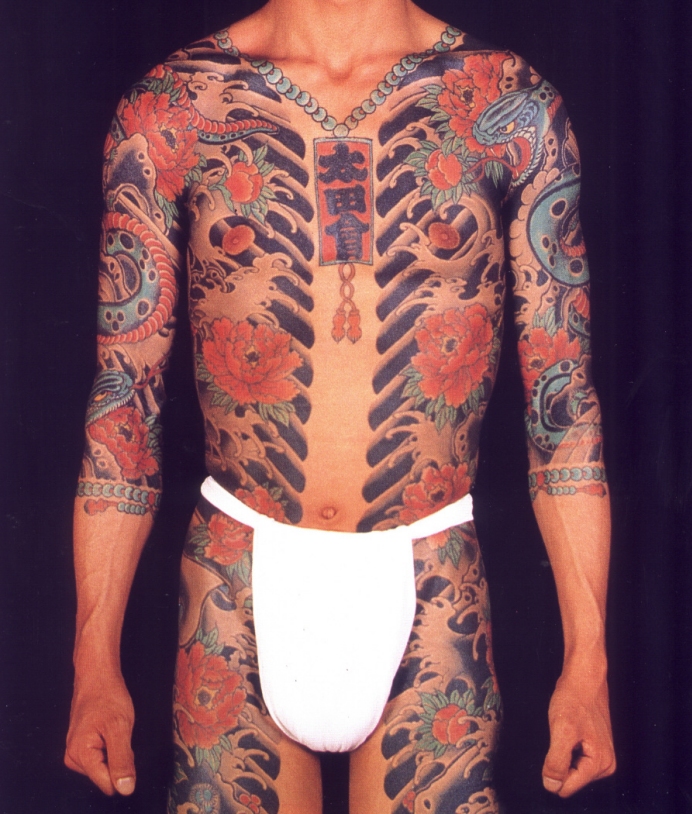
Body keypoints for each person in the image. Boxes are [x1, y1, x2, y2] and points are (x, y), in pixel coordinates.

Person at [64, 1, 616, 811]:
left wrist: (589, 662)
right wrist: (93, 664)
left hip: (431, 579)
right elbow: (125, 403)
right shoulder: (176, 107)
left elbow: (563, 407)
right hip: (236, 582)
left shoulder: (509, 106)